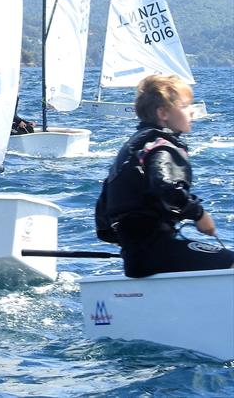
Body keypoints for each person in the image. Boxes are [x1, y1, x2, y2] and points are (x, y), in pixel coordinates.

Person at [95, 74, 233, 278]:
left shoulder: (133, 149)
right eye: (186, 106)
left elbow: (103, 219)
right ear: (163, 113)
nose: (192, 111)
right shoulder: (161, 148)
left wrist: (129, 240)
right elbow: (167, 187)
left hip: (135, 259)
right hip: (157, 253)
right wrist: (199, 215)